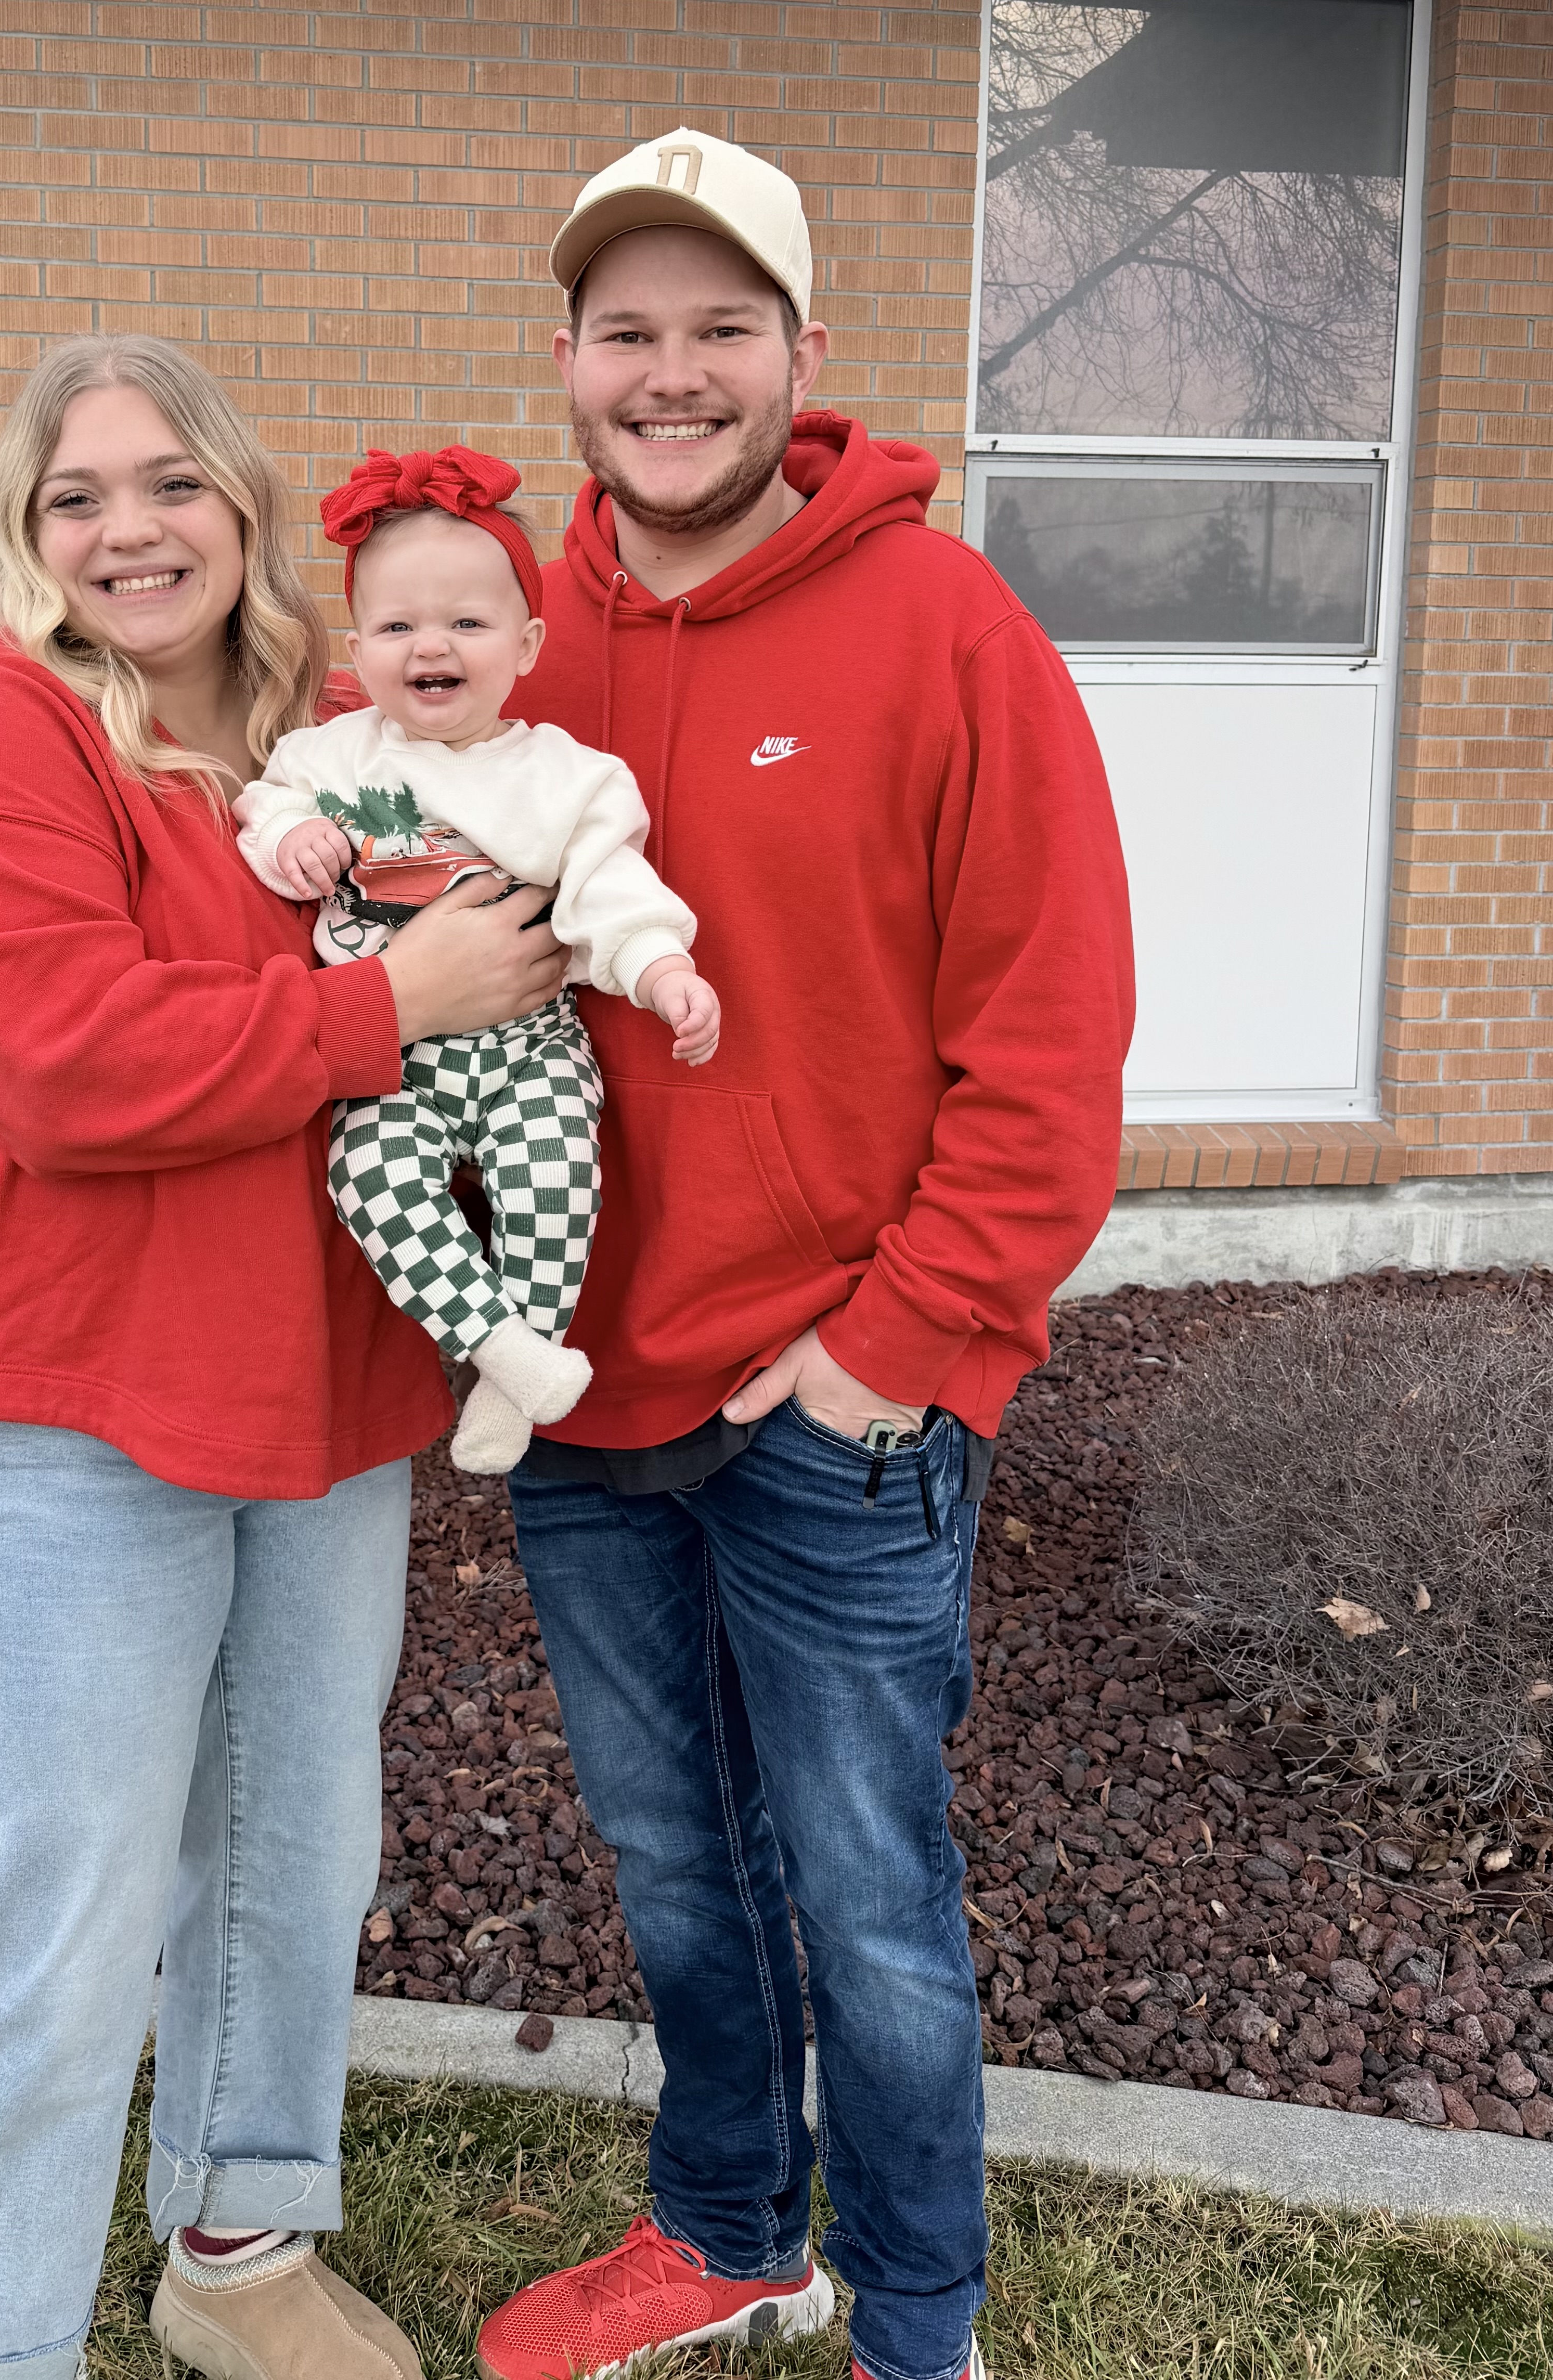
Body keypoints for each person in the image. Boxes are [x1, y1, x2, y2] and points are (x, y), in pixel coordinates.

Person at [474, 133, 1135, 2380]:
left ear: (801, 357)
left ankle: (918, 2330)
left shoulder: (946, 629)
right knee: (678, 1877)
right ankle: (732, 2226)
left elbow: (1049, 1042)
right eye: (628, 333)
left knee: (871, 1905)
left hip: (837, 1406)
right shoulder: (507, 635)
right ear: (566, 361)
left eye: (719, 331)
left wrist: (901, 1343)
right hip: (584, 1396)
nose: (672, 378)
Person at [0, 335, 568, 2380]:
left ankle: (237, 2253)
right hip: (69, 1400)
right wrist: (394, 1009)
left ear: (239, 509)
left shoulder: (331, 742)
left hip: (317, 1404)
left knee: (291, 1851)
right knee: (58, 1936)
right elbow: (60, 1063)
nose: (125, 529)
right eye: (75, 498)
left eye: (167, 484)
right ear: (29, 540)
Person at [233, 443, 719, 1474]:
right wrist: (290, 842)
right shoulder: (328, 760)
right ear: (358, 647)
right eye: (398, 626)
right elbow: (262, 807)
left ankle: (512, 1380)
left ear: (528, 642)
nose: (430, 647)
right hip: (393, 1055)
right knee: (370, 1179)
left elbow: (610, 890)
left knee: (555, 1185)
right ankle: (504, 1348)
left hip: (528, 1042)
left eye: (466, 622)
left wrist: (663, 969)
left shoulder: (568, 778)